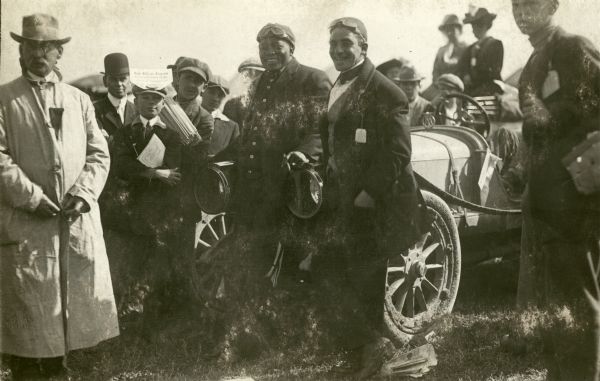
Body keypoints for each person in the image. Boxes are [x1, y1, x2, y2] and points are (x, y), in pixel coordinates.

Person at [0, 14, 118, 379]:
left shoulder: (79, 100)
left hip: (75, 219)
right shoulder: (5, 99)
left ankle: (66, 369)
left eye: (47, 47)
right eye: (32, 46)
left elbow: (99, 154)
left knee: (75, 315)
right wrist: (32, 197)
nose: (39, 54)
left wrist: (83, 193)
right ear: (21, 51)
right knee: (30, 316)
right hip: (27, 223)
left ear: (59, 54)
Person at [323, 17, 424, 379]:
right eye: (333, 43)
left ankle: (374, 361)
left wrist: (368, 193)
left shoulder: (387, 92)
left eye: (345, 44)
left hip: (374, 204)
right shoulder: (337, 83)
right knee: (345, 275)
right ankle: (358, 352)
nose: (337, 50)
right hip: (342, 198)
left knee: (365, 281)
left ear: (363, 46)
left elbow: (398, 153)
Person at [511, 0, 600, 379]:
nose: (521, 13)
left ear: (552, 6)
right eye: (515, 6)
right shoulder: (532, 62)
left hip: (575, 198)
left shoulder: (572, 47)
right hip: (544, 200)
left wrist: (553, 115)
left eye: (530, 4)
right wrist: (519, 165)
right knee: (554, 299)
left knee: (577, 298)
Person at [457, 7, 504, 96]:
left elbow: (494, 71)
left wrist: (474, 78)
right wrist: (466, 75)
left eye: (478, 25)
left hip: (490, 88)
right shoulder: (469, 49)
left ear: (485, 25)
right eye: (473, 26)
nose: (474, 29)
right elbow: (462, 67)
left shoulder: (495, 44)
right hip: (472, 90)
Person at [93, 53, 136, 140]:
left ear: (130, 80)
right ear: (105, 81)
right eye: (113, 79)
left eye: (123, 79)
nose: (119, 84)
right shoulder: (93, 110)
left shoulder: (138, 110)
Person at [202, 75, 240, 157]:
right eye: (211, 92)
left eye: (220, 95)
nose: (215, 98)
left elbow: (234, 156)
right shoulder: (188, 115)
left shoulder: (232, 127)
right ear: (202, 91)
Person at [223, 57, 265, 128]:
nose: (256, 81)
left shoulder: (271, 102)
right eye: (248, 75)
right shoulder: (233, 104)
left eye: (260, 75)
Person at [433, 14, 468, 81]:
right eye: (447, 30)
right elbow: (435, 72)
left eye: (452, 30)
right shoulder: (441, 51)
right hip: (441, 87)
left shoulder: (466, 48)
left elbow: (467, 72)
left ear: (459, 30)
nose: (449, 33)